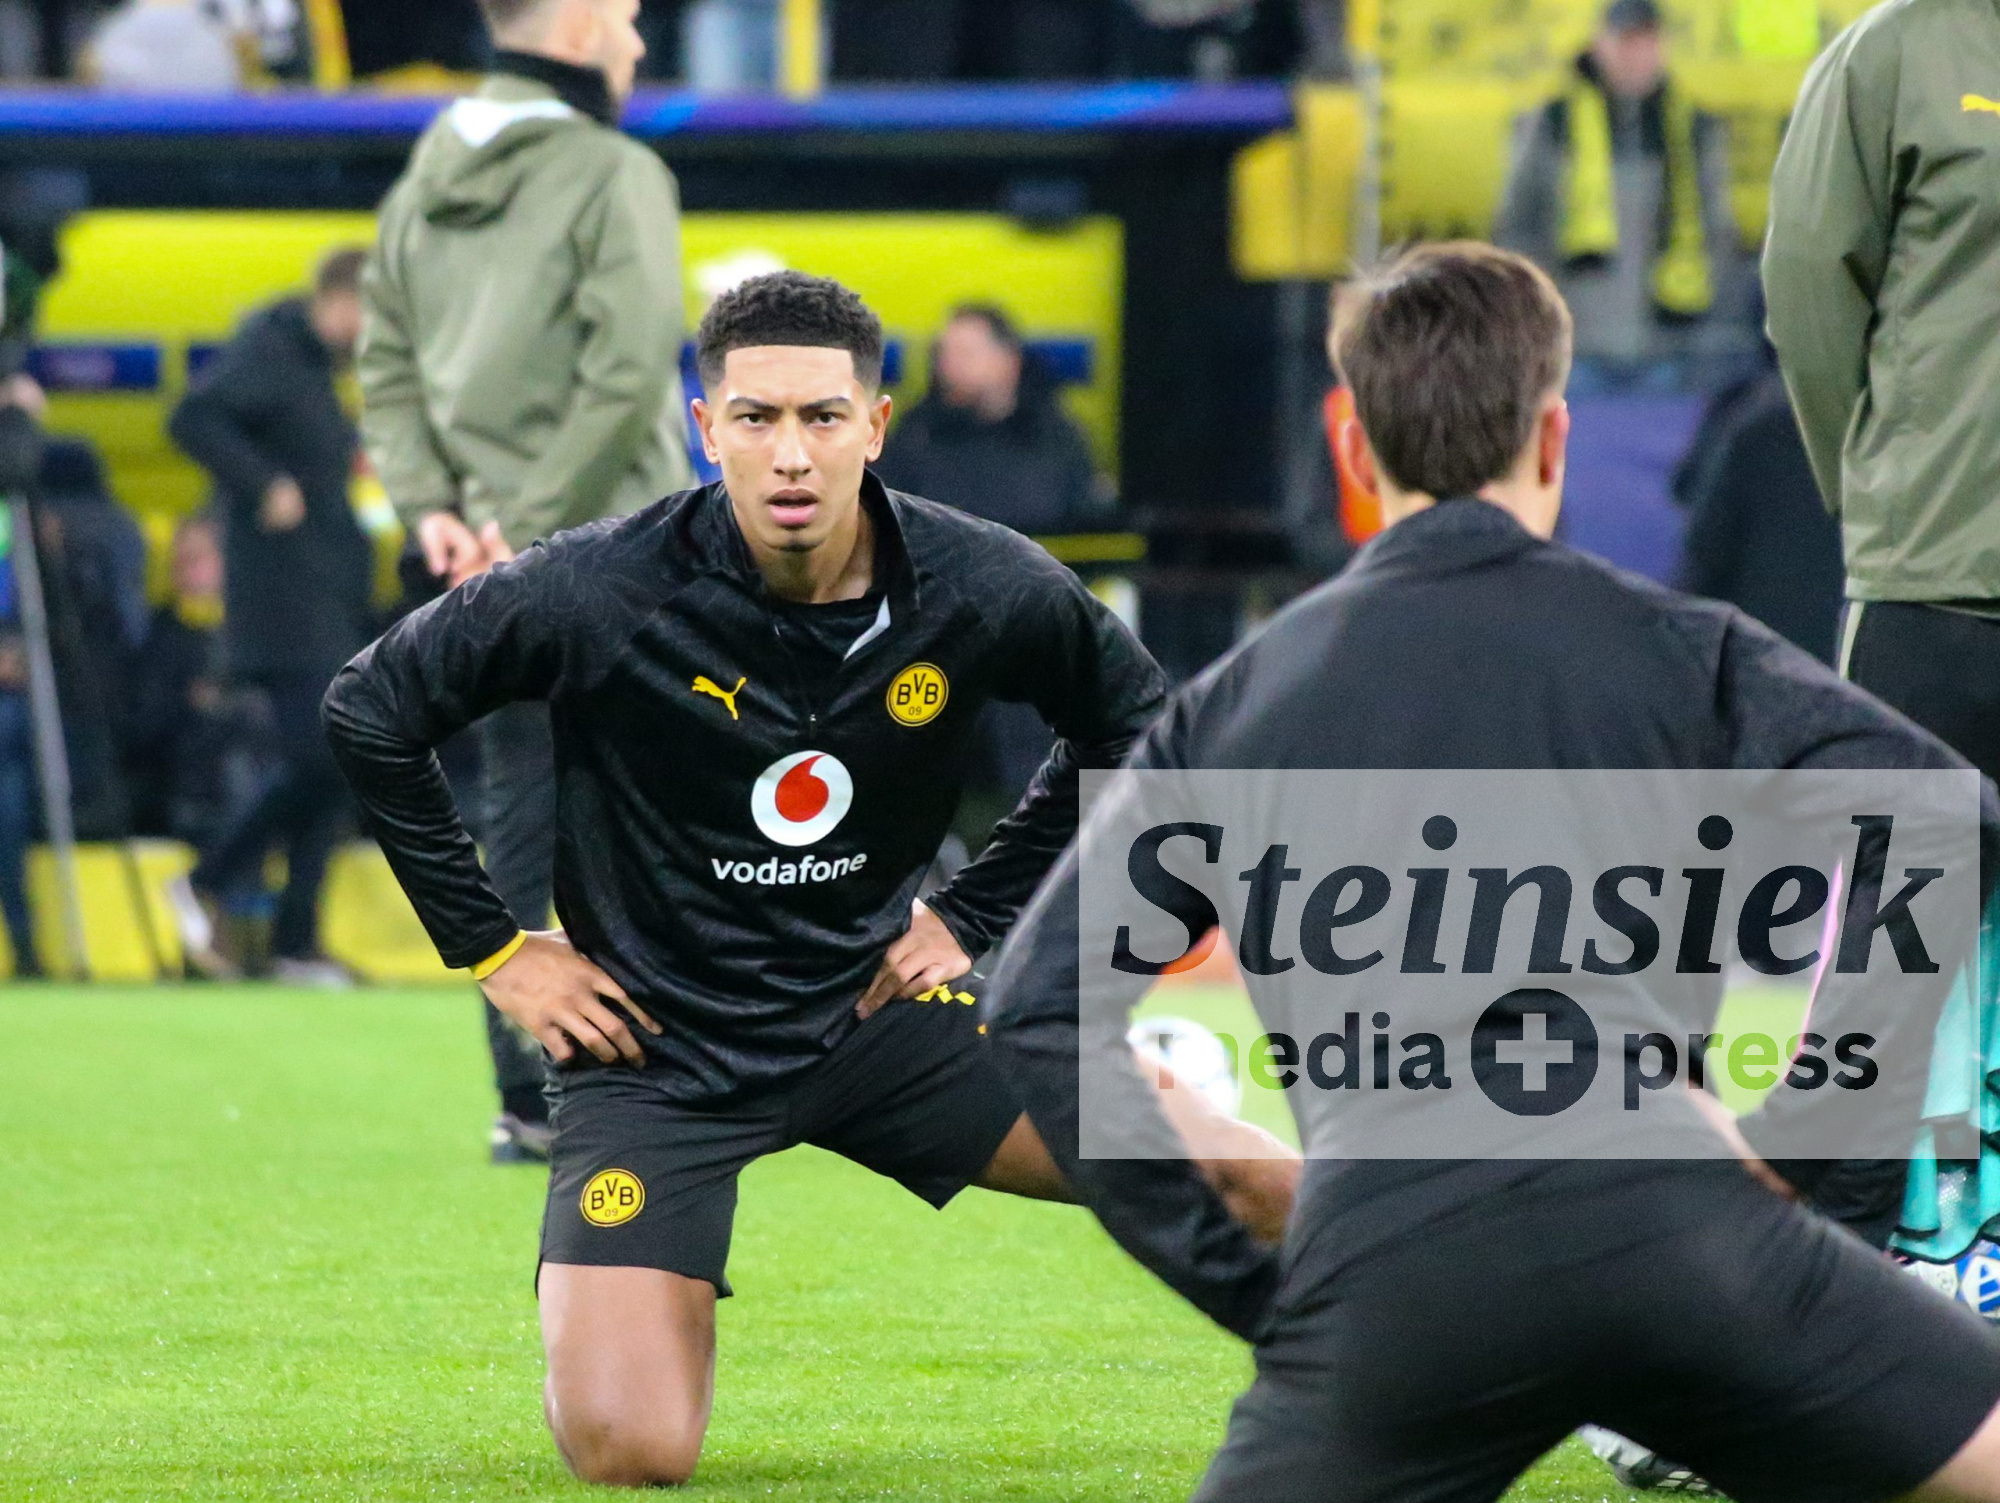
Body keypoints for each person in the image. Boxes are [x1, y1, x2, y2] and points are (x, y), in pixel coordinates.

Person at [982, 241, 2000, 1503]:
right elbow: (1935, 816)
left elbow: (1038, 1008)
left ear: (1351, 448)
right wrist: (1811, 1157)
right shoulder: (1678, 647)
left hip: (1396, 1271)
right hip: (1684, 1237)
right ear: (1554, 436)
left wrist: (1249, 1286)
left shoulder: (1239, 700)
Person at [325, 271, 1290, 1489]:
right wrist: (497, 950)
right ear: (705, 427)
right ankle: (658, 1282)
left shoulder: (976, 581)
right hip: (656, 1055)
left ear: (873, 426)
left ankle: (1451, 1375)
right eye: (757, 418)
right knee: (629, 1449)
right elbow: (369, 709)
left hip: (882, 1018)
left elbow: (1144, 729)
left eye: (822, 417)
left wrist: (975, 912)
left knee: (1257, 1178)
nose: (791, 454)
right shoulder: (597, 588)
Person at [359, 0, 693, 1163]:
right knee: (695, 795)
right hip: (628, 552)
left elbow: (385, 367)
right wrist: (537, 525)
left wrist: (443, 513)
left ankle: (532, 1093)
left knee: (523, 813)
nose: (638, 44)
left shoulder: (420, 184)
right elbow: (630, 366)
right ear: (584, 23)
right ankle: (698, 1075)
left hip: (483, 561)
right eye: (631, 20)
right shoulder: (614, 172)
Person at [1765, 0, 2000, 1274]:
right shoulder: (1895, 48)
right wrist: (1886, 495)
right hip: (1939, 585)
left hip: (1932, 557)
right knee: (1886, 962)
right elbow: (1809, 290)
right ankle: (1823, 1285)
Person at [167, 246, 375, 986]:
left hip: (325, 598)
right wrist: (263, 485)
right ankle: (207, 879)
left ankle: (296, 942)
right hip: (284, 605)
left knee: (341, 759)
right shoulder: (272, 348)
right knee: (323, 755)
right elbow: (191, 417)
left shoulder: (314, 369)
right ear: (340, 298)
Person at [1493, 0, 1737, 389]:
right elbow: (1519, 228)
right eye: (1626, 41)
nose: (1637, 55)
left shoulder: (1693, 126)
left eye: (1647, 41)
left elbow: (1718, 233)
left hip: (1670, 347)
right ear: (1599, 43)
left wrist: (1704, 327)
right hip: (1575, 351)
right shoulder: (1552, 122)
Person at [877, 305, 1110, 539]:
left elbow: (1086, 522)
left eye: (966, 354)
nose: (949, 367)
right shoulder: (917, 435)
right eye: (944, 354)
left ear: (1009, 361)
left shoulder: (1056, 436)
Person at [1674, 366, 1843, 665]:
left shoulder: (1753, 414)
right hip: (1854, 655)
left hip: (1759, 657)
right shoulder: (1898, 427)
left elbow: (1705, 549)